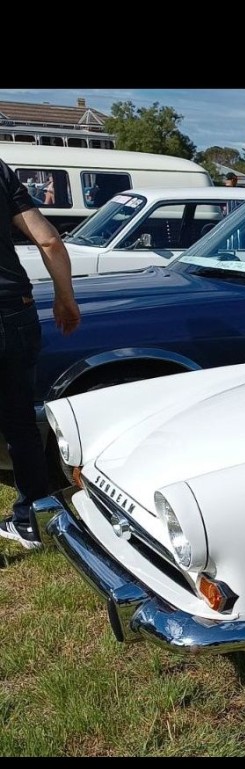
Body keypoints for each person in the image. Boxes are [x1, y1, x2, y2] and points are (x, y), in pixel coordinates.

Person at [0, 157, 80, 551]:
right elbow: (48, 239)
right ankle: (31, 519)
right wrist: (66, 298)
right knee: (20, 422)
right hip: (15, 307)